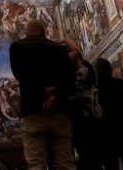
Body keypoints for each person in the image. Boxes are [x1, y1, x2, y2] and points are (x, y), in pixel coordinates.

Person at [9, 19, 76, 170]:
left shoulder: (17, 47)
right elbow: (69, 80)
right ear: (43, 32)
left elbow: (22, 76)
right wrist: (54, 96)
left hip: (33, 111)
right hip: (59, 110)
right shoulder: (60, 49)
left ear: (26, 33)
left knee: (36, 164)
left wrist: (40, 95)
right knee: (65, 163)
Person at [61, 40, 102, 170]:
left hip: (89, 116)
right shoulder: (71, 68)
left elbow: (73, 86)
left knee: (92, 158)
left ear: (74, 51)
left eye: (66, 51)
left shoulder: (83, 66)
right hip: (78, 119)